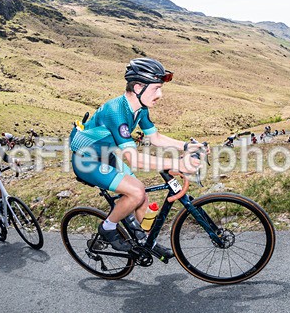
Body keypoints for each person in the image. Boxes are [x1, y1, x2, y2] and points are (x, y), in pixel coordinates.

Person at [69, 58, 203, 260]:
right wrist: (178, 163)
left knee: (142, 199)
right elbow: (134, 160)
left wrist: (186, 146)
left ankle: (148, 241)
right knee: (136, 192)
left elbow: (155, 138)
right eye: (156, 89)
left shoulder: (140, 108)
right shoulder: (117, 111)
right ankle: (108, 227)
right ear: (139, 87)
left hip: (107, 155)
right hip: (87, 161)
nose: (160, 95)